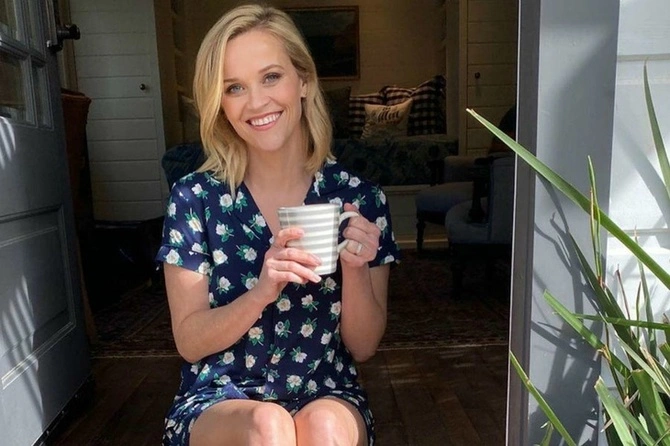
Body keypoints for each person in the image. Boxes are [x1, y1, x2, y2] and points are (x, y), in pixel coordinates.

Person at [155, 4, 400, 446]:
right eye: (234, 87)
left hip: (326, 388)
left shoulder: (359, 200)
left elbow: (363, 347)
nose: (256, 102)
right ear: (220, 104)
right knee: (268, 427)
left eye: (271, 77)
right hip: (219, 397)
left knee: (324, 429)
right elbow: (189, 341)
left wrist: (356, 268)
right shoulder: (195, 198)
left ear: (303, 81)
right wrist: (261, 292)